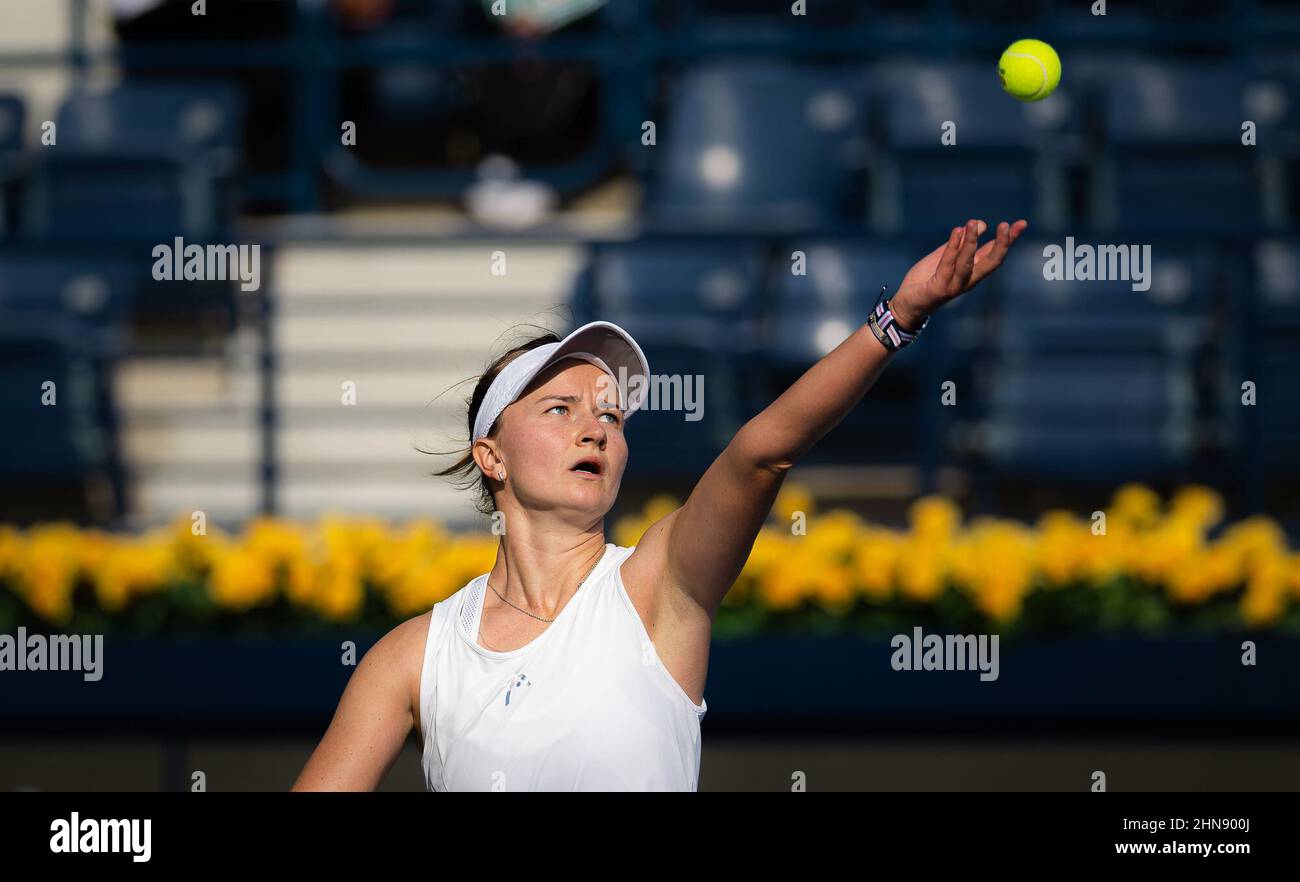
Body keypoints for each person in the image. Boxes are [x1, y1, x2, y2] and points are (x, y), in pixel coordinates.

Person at [291, 217, 1029, 791]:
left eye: (611, 416)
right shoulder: (411, 657)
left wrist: (894, 318)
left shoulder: (657, 584)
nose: (595, 426)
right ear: (493, 458)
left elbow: (760, 453)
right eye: (559, 410)